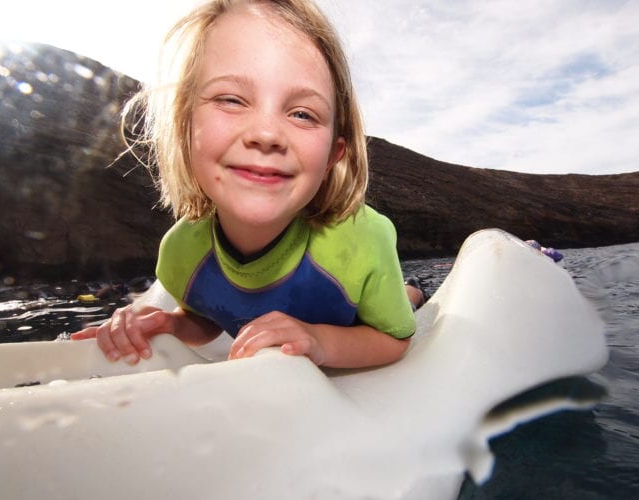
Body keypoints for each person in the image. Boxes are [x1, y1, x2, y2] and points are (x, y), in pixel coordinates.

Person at [72, 0, 419, 369]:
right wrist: (171, 323)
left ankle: (411, 290)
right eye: (231, 99)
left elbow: (395, 337)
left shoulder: (363, 239)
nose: (267, 133)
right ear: (184, 127)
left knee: (404, 298)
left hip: (356, 316)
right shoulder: (181, 252)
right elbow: (208, 316)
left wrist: (318, 339)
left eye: (302, 113)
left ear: (333, 156)